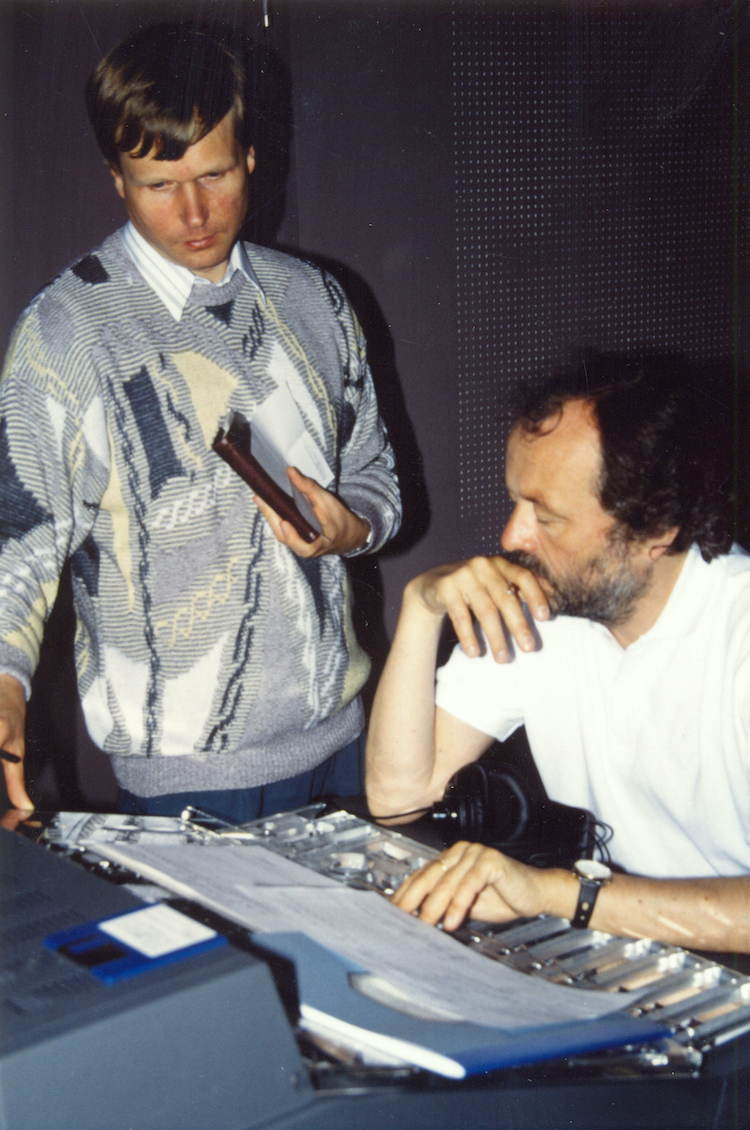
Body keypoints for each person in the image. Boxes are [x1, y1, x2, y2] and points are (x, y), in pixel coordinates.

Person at [0, 23, 401, 822]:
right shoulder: (66, 334)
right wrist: (5, 688)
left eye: (215, 173)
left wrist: (351, 528)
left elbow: (378, 477)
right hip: (186, 780)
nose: (193, 211)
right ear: (114, 178)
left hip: (347, 742)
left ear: (251, 156)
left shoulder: (316, 301)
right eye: (157, 185)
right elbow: (18, 544)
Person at [366, 355, 750, 954]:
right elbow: (398, 799)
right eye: (517, 502)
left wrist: (557, 895)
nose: (511, 538)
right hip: (633, 938)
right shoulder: (543, 602)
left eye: (546, 516)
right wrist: (422, 606)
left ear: (657, 530)